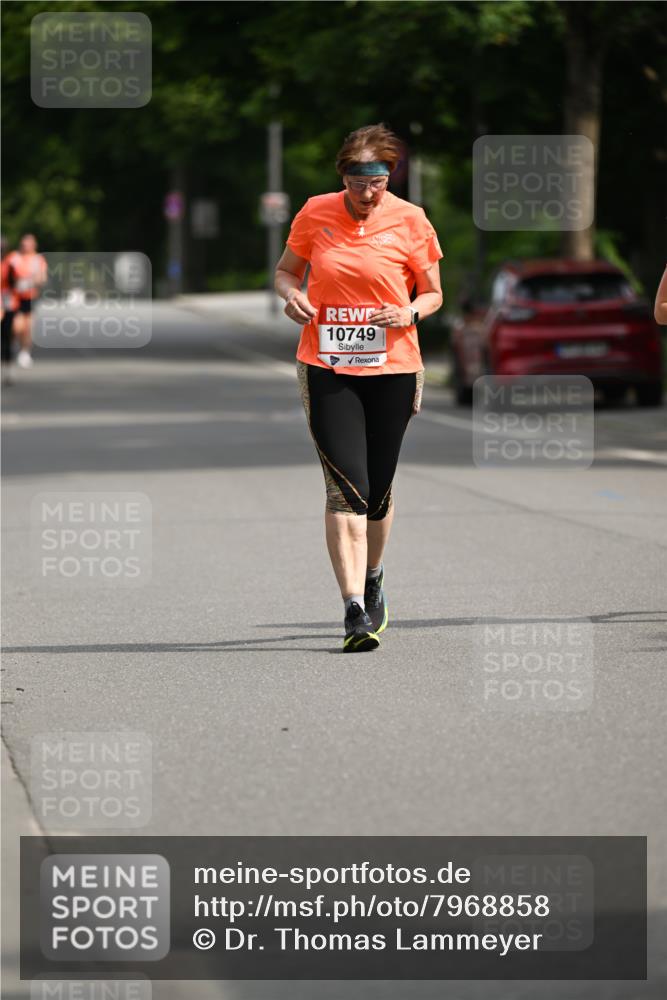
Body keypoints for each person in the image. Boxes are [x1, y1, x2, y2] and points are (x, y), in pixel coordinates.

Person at [275, 124, 443, 652]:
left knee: (377, 490)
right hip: (327, 365)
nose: (368, 193)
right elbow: (286, 272)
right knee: (345, 488)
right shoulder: (315, 212)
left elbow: (433, 293)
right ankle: (352, 608)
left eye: (378, 182)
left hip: (394, 367)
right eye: (357, 183)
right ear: (342, 177)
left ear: (390, 176)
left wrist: (409, 311)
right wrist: (291, 295)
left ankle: (373, 576)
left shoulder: (411, 219)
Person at [7, 233, 47, 369]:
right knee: (16, 326)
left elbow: (42, 277)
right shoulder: (14, 257)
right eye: (24, 244)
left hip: (30, 297)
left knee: (28, 327)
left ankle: (24, 352)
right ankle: (13, 344)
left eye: (29, 244)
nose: (26, 246)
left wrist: (31, 282)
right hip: (15, 297)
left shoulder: (38, 259)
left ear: (34, 245)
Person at [1, 237, 18, 384]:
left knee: (6, 337)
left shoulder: (9, 265)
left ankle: (8, 370)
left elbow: (15, 285)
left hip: (6, 304)